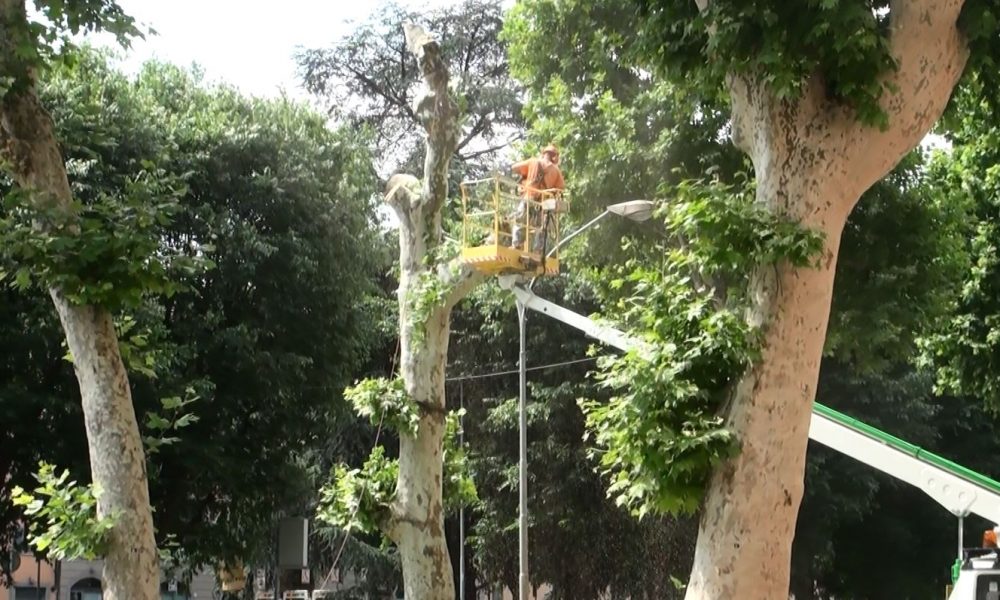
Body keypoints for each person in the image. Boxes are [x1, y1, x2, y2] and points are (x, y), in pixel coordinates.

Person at [510, 144, 565, 253]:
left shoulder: (533, 161)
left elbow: (514, 168)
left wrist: (526, 174)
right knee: (541, 226)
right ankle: (538, 250)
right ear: (554, 157)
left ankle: (516, 244)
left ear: (543, 154)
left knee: (520, 220)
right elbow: (561, 187)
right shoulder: (556, 170)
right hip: (543, 202)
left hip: (529, 196)